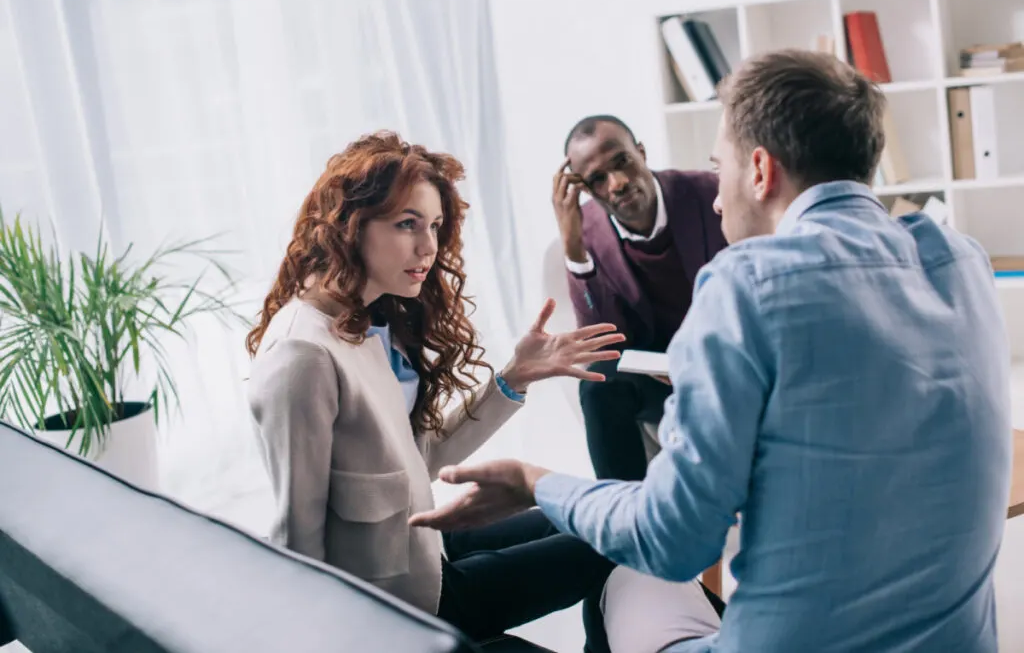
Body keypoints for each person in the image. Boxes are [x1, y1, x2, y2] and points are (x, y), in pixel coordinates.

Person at [411, 50, 1013, 653]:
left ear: (760, 170)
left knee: (595, 591)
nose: (718, 200)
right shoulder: (962, 258)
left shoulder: (747, 280)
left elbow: (672, 539)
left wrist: (532, 480)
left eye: (717, 166)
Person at [245, 131, 623, 647]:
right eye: (407, 225)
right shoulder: (303, 354)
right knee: (611, 543)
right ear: (349, 226)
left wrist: (514, 377)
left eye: (435, 226)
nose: (429, 247)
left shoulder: (361, 321)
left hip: (422, 548)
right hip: (400, 605)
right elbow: (297, 537)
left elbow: (415, 459)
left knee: (598, 519)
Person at [554, 115, 727, 482]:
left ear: (642, 153)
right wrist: (574, 249)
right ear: (585, 189)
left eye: (622, 162)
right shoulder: (587, 232)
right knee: (599, 381)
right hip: (658, 381)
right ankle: (621, 516)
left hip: (727, 365)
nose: (616, 183)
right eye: (598, 179)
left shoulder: (710, 193)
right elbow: (601, 345)